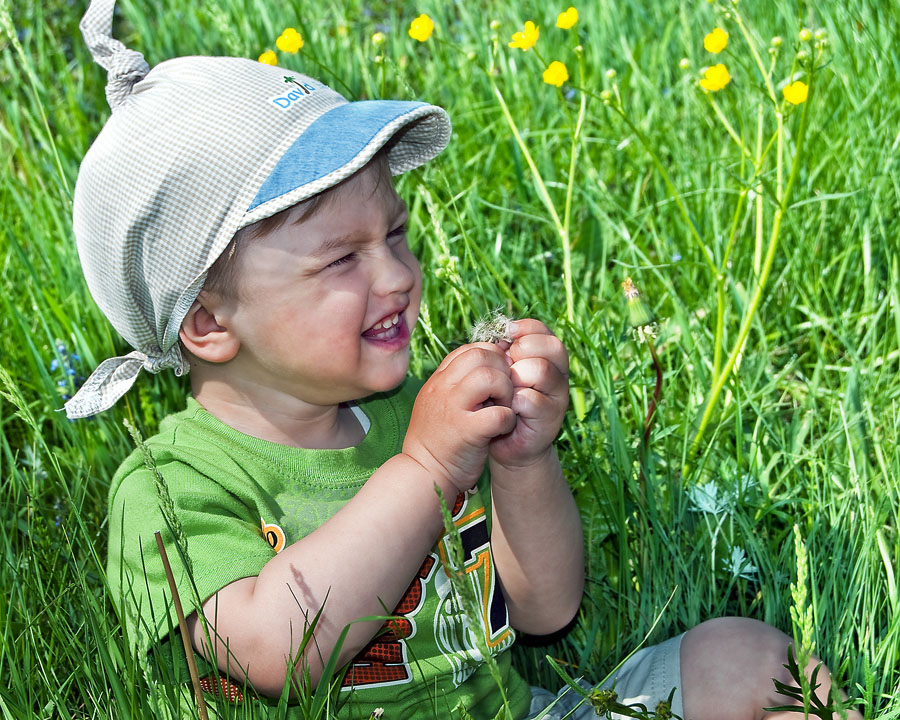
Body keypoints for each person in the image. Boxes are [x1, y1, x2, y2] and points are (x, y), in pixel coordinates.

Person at [69, 1, 860, 718]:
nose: (397, 275)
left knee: (747, 660)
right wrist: (424, 469)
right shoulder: (169, 491)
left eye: (396, 234)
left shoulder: (407, 415)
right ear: (207, 322)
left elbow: (543, 609)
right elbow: (283, 652)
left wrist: (521, 462)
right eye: (341, 259)